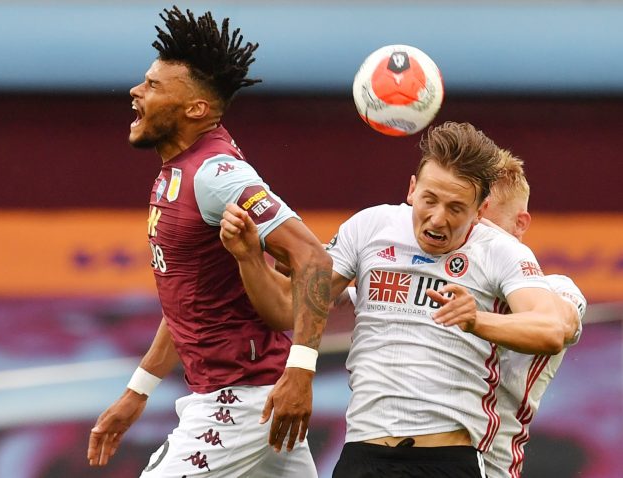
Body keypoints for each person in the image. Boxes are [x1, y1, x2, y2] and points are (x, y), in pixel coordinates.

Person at [220, 121, 568, 477]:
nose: (437, 218)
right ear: (412, 189)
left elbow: (550, 329)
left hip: (447, 459)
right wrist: (248, 258)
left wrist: (477, 321)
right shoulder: (371, 227)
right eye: (429, 200)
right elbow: (286, 311)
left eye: (456, 208)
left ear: (480, 211)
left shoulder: (500, 252)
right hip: (364, 454)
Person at [87, 7, 331, 477]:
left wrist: (301, 371)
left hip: (239, 402)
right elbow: (189, 302)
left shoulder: (217, 174)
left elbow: (312, 258)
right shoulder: (175, 173)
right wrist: (138, 390)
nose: (137, 92)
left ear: (196, 108)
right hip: (247, 399)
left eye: (155, 86)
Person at [482, 150, 586, 478]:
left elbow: (561, 325)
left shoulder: (557, 289)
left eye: (482, 221)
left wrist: (474, 319)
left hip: (492, 465)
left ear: (519, 223)